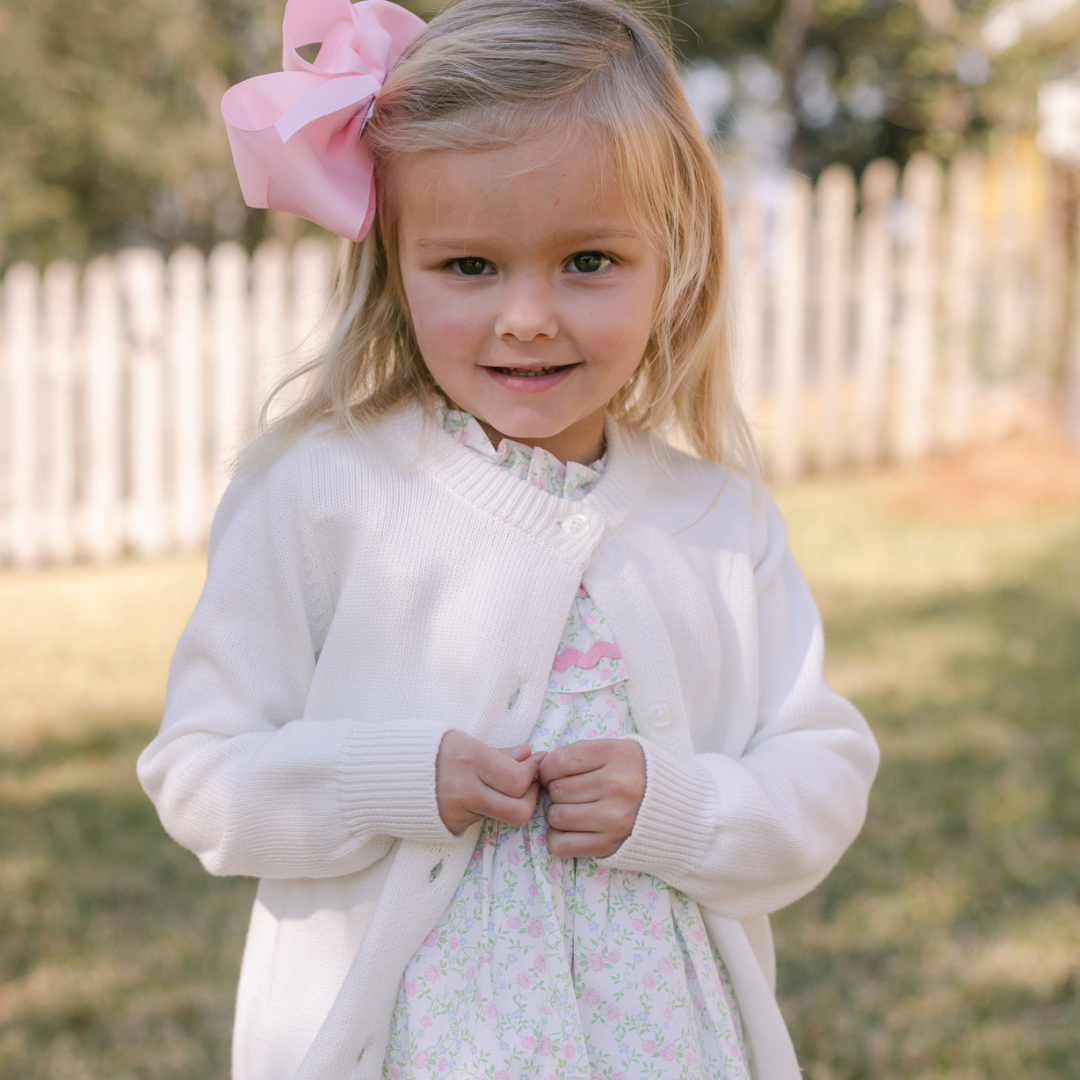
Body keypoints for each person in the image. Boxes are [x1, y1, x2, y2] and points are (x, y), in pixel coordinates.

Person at [137, 1, 880, 1077]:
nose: (527, 316)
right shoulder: (319, 497)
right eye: (470, 267)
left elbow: (822, 768)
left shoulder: (720, 522)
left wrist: (679, 808)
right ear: (395, 265)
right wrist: (388, 781)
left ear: (673, 258)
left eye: (587, 260)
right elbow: (199, 773)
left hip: (662, 1038)